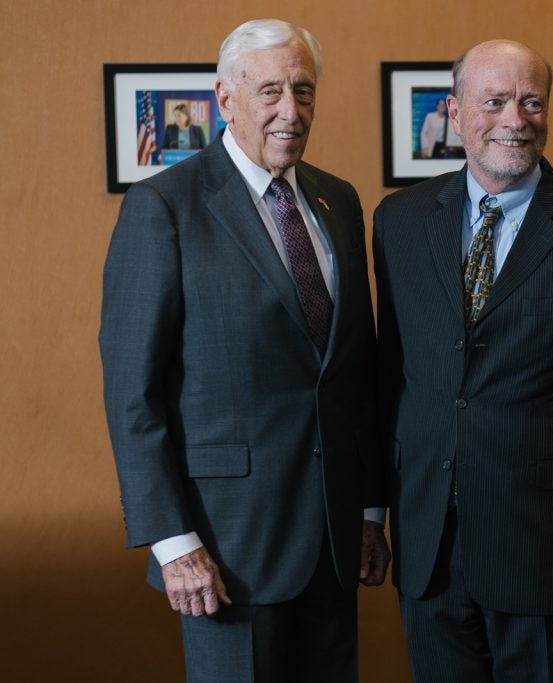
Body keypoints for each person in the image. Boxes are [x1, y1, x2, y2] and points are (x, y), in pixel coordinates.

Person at [100, 18, 389, 682]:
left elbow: (353, 373)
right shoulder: (165, 208)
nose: (291, 111)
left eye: (304, 91)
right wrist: (173, 544)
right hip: (225, 549)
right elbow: (131, 393)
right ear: (225, 99)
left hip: (335, 541)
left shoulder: (338, 201)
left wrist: (371, 507)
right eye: (271, 92)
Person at [373, 39, 553, 682]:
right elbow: (389, 378)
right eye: (494, 102)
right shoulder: (400, 222)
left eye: (531, 103)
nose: (515, 120)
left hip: (547, 545)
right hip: (428, 542)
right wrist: (373, 511)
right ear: (455, 109)